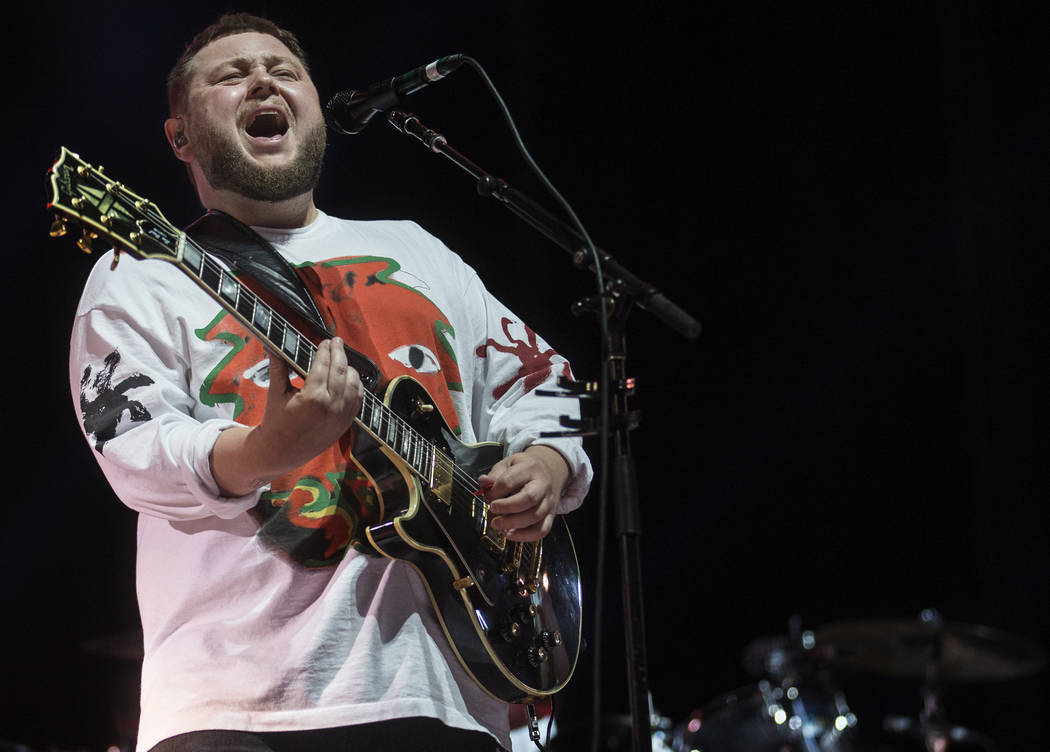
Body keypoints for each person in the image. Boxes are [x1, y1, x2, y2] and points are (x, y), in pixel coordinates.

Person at [68, 13, 591, 752]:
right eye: (230, 75)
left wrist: (547, 462)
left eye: (284, 70)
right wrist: (267, 448)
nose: (262, 80)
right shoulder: (143, 272)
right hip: (235, 705)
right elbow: (132, 447)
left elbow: (551, 384)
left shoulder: (415, 250)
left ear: (316, 106)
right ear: (180, 137)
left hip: (442, 693)